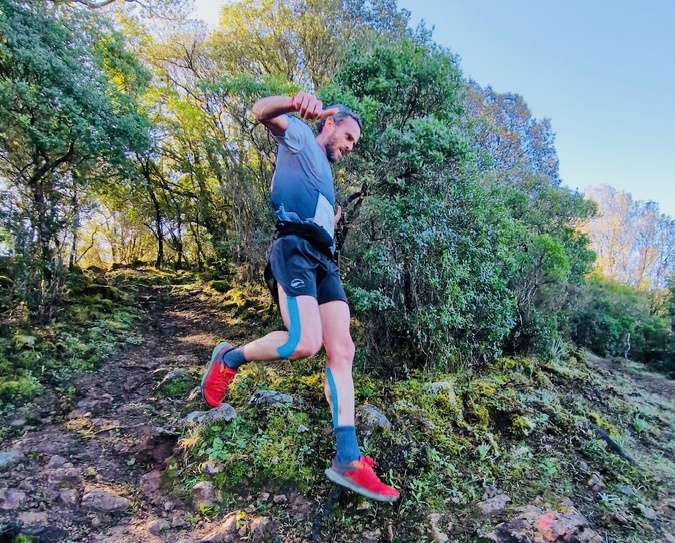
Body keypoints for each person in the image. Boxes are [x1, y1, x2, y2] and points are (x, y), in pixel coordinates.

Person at [200, 91, 400, 503]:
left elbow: (315, 205)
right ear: (329, 124)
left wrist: (332, 215)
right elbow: (259, 110)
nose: (348, 147)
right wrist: (294, 101)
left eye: (353, 144)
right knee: (303, 343)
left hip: (325, 260)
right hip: (293, 249)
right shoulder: (302, 137)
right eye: (346, 137)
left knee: (342, 349)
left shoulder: (325, 173)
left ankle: (348, 458)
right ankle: (229, 359)